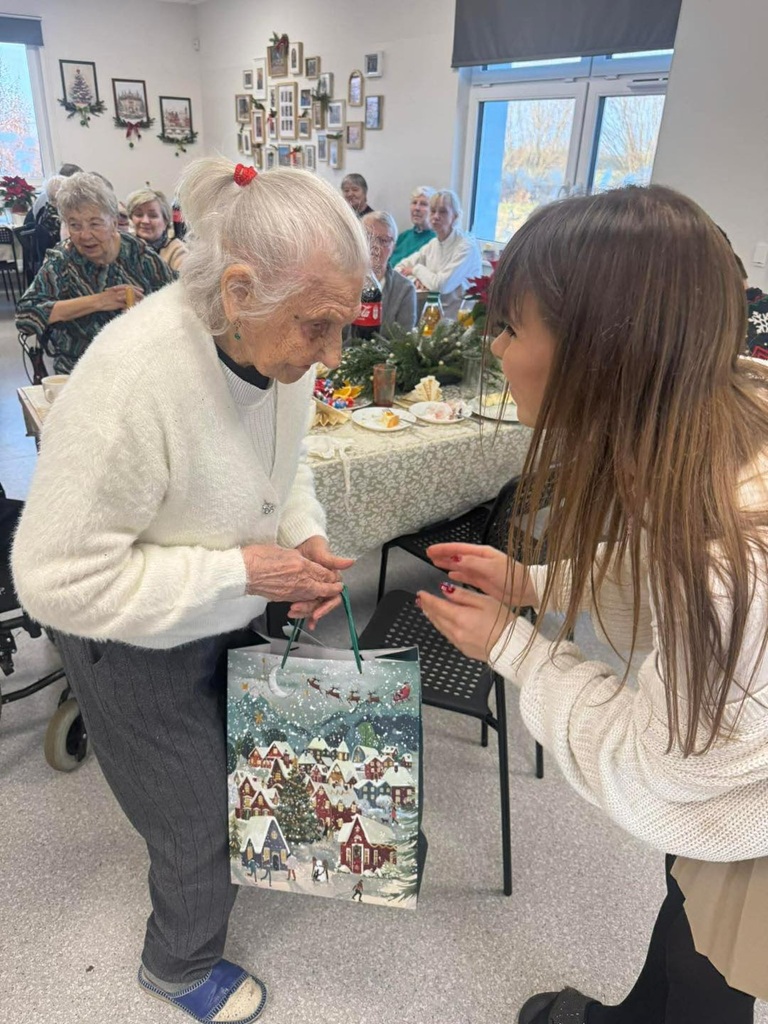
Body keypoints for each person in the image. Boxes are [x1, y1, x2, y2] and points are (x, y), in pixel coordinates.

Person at [11, 158, 369, 1024]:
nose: (333, 354)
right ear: (238, 291)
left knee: (241, 767)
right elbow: (54, 581)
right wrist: (243, 571)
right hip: (125, 634)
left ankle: (223, 884)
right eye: (319, 326)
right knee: (194, 815)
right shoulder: (135, 380)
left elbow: (282, 464)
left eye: (345, 324)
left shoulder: (268, 344)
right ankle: (175, 966)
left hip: (213, 603)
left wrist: (300, 533)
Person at [417, 185, 768, 1024]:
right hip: (735, 784)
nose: (497, 348)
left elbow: (663, 776)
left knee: (715, 969)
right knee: (687, 932)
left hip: (744, 810)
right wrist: (537, 585)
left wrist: (513, 647)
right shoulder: (717, 408)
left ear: (600, 352)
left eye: (511, 327)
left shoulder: (734, 564)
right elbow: (660, 567)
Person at [15, 172, 174, 374]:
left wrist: (148, 309)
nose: (84, 235)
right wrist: (100, 301)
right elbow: (26, 316)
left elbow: (176, 296)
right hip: (78, 369)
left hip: (135, 366)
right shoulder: (62, 261)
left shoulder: (137, 253)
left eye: (95, 224)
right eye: (75, 225)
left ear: (114, 222)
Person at [394, 189, 481, 319]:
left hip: (460, 320)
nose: (436, 216)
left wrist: (415, 270)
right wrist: (416, 279)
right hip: (432, 316)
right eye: (433, 211)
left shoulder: (466, 246)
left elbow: (441, 286)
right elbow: (398, 269)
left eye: (443, 211)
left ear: (455, 216)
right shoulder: (432, 244)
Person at [361, 211, 416, 332]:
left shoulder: (405, 289)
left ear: (393, 248)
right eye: (369, 237)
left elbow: (404, 339)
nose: (375, 245)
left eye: (383, 240)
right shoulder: (342, 281)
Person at [127, 187, 188, 272]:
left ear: (165, 221)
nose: (145, 221)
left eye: (153, 216)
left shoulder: (177, 251)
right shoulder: (126, 244)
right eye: (139, 214)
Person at [390, 186, 436, 266]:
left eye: (423, 204)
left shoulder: (434, 241)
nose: (417, 208)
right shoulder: (404, 236)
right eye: (414, 203)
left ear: (433, 211)